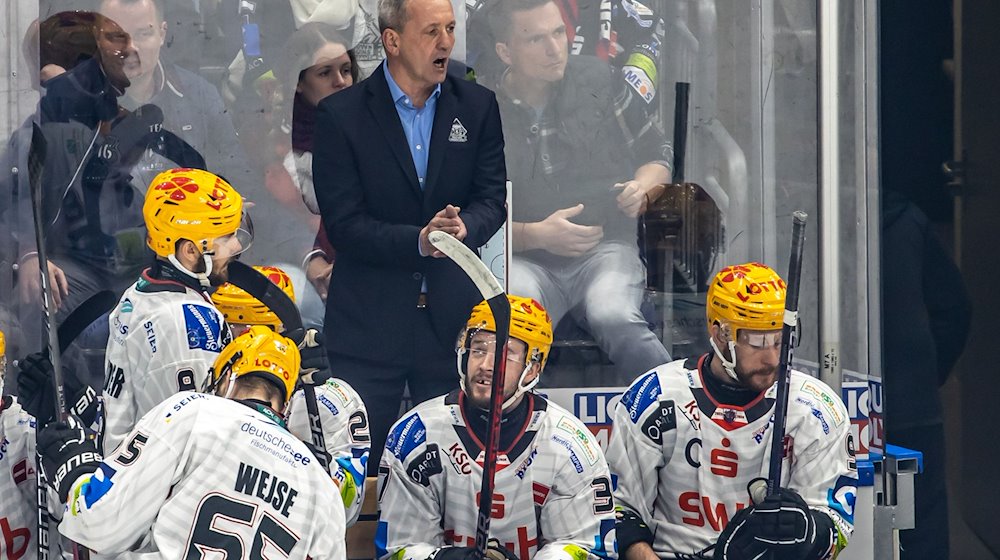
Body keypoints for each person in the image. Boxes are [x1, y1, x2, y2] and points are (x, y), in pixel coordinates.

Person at [312, 0, 507, 472]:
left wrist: (464, 229)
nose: (445, 43)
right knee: (353, 476)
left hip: (452, 326)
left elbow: (491, 199)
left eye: (450, 29)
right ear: (392, 40)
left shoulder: (478, 106)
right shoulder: (341, 115)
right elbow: (344, 224)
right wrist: (419, 241)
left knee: (454, 474)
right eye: (431, 32)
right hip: (368, 326)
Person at [606, 262, 857, 560]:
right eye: (758, 341)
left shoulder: (816, 410)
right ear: (721, 334)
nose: (773, 357)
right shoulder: (654, 398)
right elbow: (617, 510)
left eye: (780, 339)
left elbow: (837, 524)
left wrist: (811, 530)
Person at [36, 327, 347, 558]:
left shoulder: (194, 411)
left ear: (227, 377)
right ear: (285, 403)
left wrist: (74, 470)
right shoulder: (323, 489)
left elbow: (101, 525)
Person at [487, 0, 671, 383]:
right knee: (515, 325)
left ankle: (679, 407)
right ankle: (507, 430)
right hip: (525, 261)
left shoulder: (600, 82)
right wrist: (532, 234)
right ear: (505, 52)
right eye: (536, 39)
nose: (556, 48)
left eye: (558, 32)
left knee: (613, 313)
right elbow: (473, 212)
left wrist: (643, 189)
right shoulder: (483, 108)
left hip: (605, 251)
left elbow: (658, 155)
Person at [376, 295, 616, 560]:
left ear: (533, 369)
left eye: (505, 353)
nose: (486, 365)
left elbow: (584, 548)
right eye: (478, 349)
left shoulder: (568, 445)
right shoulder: (417, 435)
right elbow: (399, 549)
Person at [100, 167, 251, 455]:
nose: (236, 246)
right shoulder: (187, 325)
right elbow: (197, 442)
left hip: (127, 470)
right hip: (158, 492)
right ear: (190, 252)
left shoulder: (141, 291)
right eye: (227, 236)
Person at [212, 264, 372, 525]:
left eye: (251, 333)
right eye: (228, 334)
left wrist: (299, 454)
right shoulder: (203, 379)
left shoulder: (331, 399)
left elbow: (347, 508)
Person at [881, 190, 971, 560]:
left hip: (836, 403)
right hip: (911, 401)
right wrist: (927, 373)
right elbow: (955, 309)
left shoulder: (808, 216)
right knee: (920, 523)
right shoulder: (908, 220)